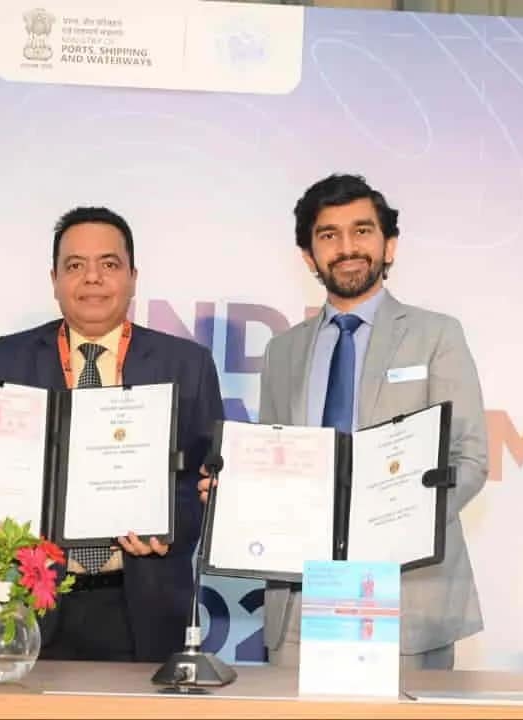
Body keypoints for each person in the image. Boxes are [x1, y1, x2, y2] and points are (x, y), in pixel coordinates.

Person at [200, 174, 488, 670]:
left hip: (405, 595)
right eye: (329, 235)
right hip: (301, 594)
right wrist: (236, 494)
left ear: (389, 245)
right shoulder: (284, 350)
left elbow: (469, 457)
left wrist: (397, 525)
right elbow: (276, 463)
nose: (347, 247)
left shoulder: (436, 335)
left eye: (362, 230)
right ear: (308, 256)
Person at [0, 206, 224, 662]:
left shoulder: (186, 364)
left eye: (109, 264)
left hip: (147, 601)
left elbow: (206, 479)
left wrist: (168, 530)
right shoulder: (11, 358)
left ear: (133, 277)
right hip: (35, 601)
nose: (92, 277)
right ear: (54, 279)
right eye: (75, 265)